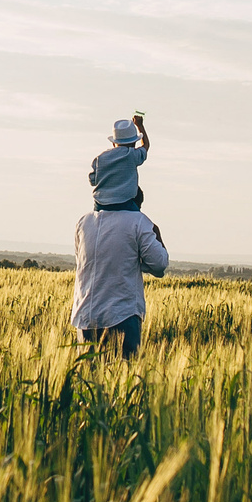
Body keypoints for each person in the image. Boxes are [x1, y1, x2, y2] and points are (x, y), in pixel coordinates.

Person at [71, 195, 167, 359]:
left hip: (86, 315)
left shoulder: (84, 222)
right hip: (123, 314)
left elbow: (82, 262)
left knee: (88, 371)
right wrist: (156, 234)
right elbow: (159, 265)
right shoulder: (138, 221)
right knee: (124, 370)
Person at [89, 112, 150, 208]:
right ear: (134, 143)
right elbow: (146, 145)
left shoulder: (100, 158)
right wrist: (140, 126)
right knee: (137, 215)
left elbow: (92, 180)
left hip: (100, 204)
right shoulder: (131, 154)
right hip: (125, 203)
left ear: (114, 143)